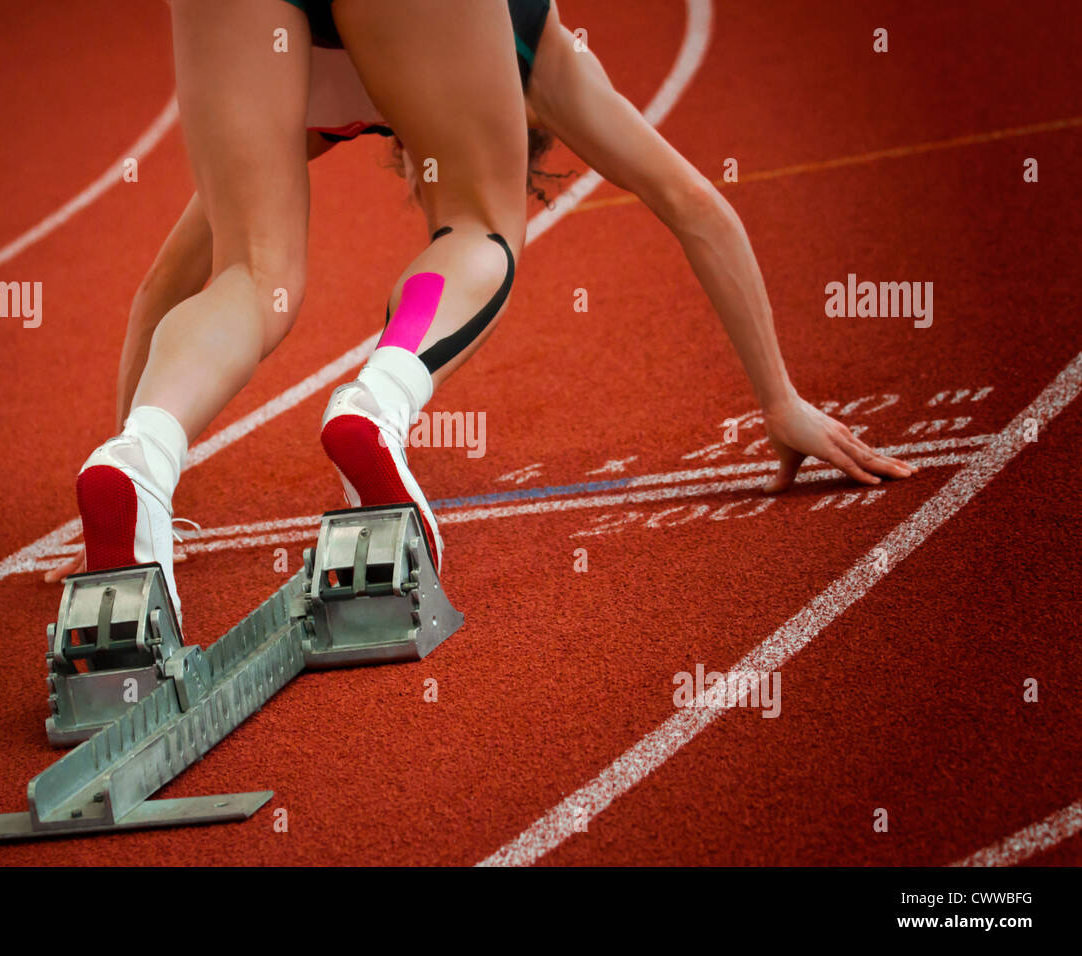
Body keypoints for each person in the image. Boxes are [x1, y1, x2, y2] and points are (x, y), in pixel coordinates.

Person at [53, 0, 912, 615]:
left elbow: (166, 286)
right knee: (482, 226)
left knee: (252, 270)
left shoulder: (330, 109)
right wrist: (780, 399)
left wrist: (130, 451)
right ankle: (377, 402)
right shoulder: (543, 61)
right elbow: (693, 203)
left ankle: (143, 459)